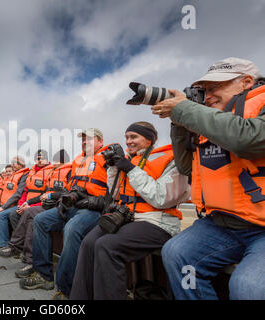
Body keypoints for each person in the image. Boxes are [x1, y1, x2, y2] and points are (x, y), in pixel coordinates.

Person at [150, 57, 265, 300]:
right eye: (204, 91)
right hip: (222, 224)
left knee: (247, 287)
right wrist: (178, 123)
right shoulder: (209, 120)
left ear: (246, 82)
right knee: (177, 253)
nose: (208, 96)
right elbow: (185, 167)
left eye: (215, 88)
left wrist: (185, 110)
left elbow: (248, 139)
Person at [70, 122, 190, 300]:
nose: (128, 142)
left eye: (133, 137)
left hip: (157, 221)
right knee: (88, 242)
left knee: (107, 246)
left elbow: (161, 198)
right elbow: (115, 193)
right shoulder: (129, 160)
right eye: (126, 137)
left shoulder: (171, 159)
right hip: (129, 217)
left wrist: (130, 169)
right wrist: (113, 168)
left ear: (149, 139)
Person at [20, 128, 109, 300]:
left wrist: (96, 202)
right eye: (83, 140)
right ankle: (44, 275)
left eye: (89, 139)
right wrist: (63, 200)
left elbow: (114, 189)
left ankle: (66, 288)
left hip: (94, 209)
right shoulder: (78, 160)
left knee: (72, 228)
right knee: (40, 220)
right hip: (75, 204)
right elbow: (72, 188)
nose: (85, 142)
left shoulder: (108, 158)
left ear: (100, 141)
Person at [7, 150, 71, 279]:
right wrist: (28, 202)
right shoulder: (53, 173)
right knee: (29, 212)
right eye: (54, 160)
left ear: (64, 162)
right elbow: (44, 194)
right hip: (47, 205)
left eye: (57, 161)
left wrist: (52, 195)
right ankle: (18, 248)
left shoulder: (69, 172)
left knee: (35, 218)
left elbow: (67, 193)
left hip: (60, 208)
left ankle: (23, 253)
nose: (54, 163)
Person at [0, 151, 52, 256]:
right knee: (13, 215)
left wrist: (28, 206)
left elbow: (46, 194)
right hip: (25, 203)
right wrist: (21, 204)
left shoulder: (51, 172)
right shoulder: (32, 172)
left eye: (42, 158)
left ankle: (14, 246)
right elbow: (25, 191)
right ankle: (15, 245)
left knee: (8, 215)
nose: (40, 160)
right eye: (38, 158)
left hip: (38, 205)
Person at [0, 156, 29, 250]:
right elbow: (5, 193)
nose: (13, 165)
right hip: (7, 203)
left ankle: (4, 243)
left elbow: (18, 194)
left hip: (17, 204)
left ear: (20, 164)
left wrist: (3, 207)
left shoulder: (24, 175)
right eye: (12, 163)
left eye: (15, 163)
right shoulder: (12, 175)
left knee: (1, 214)